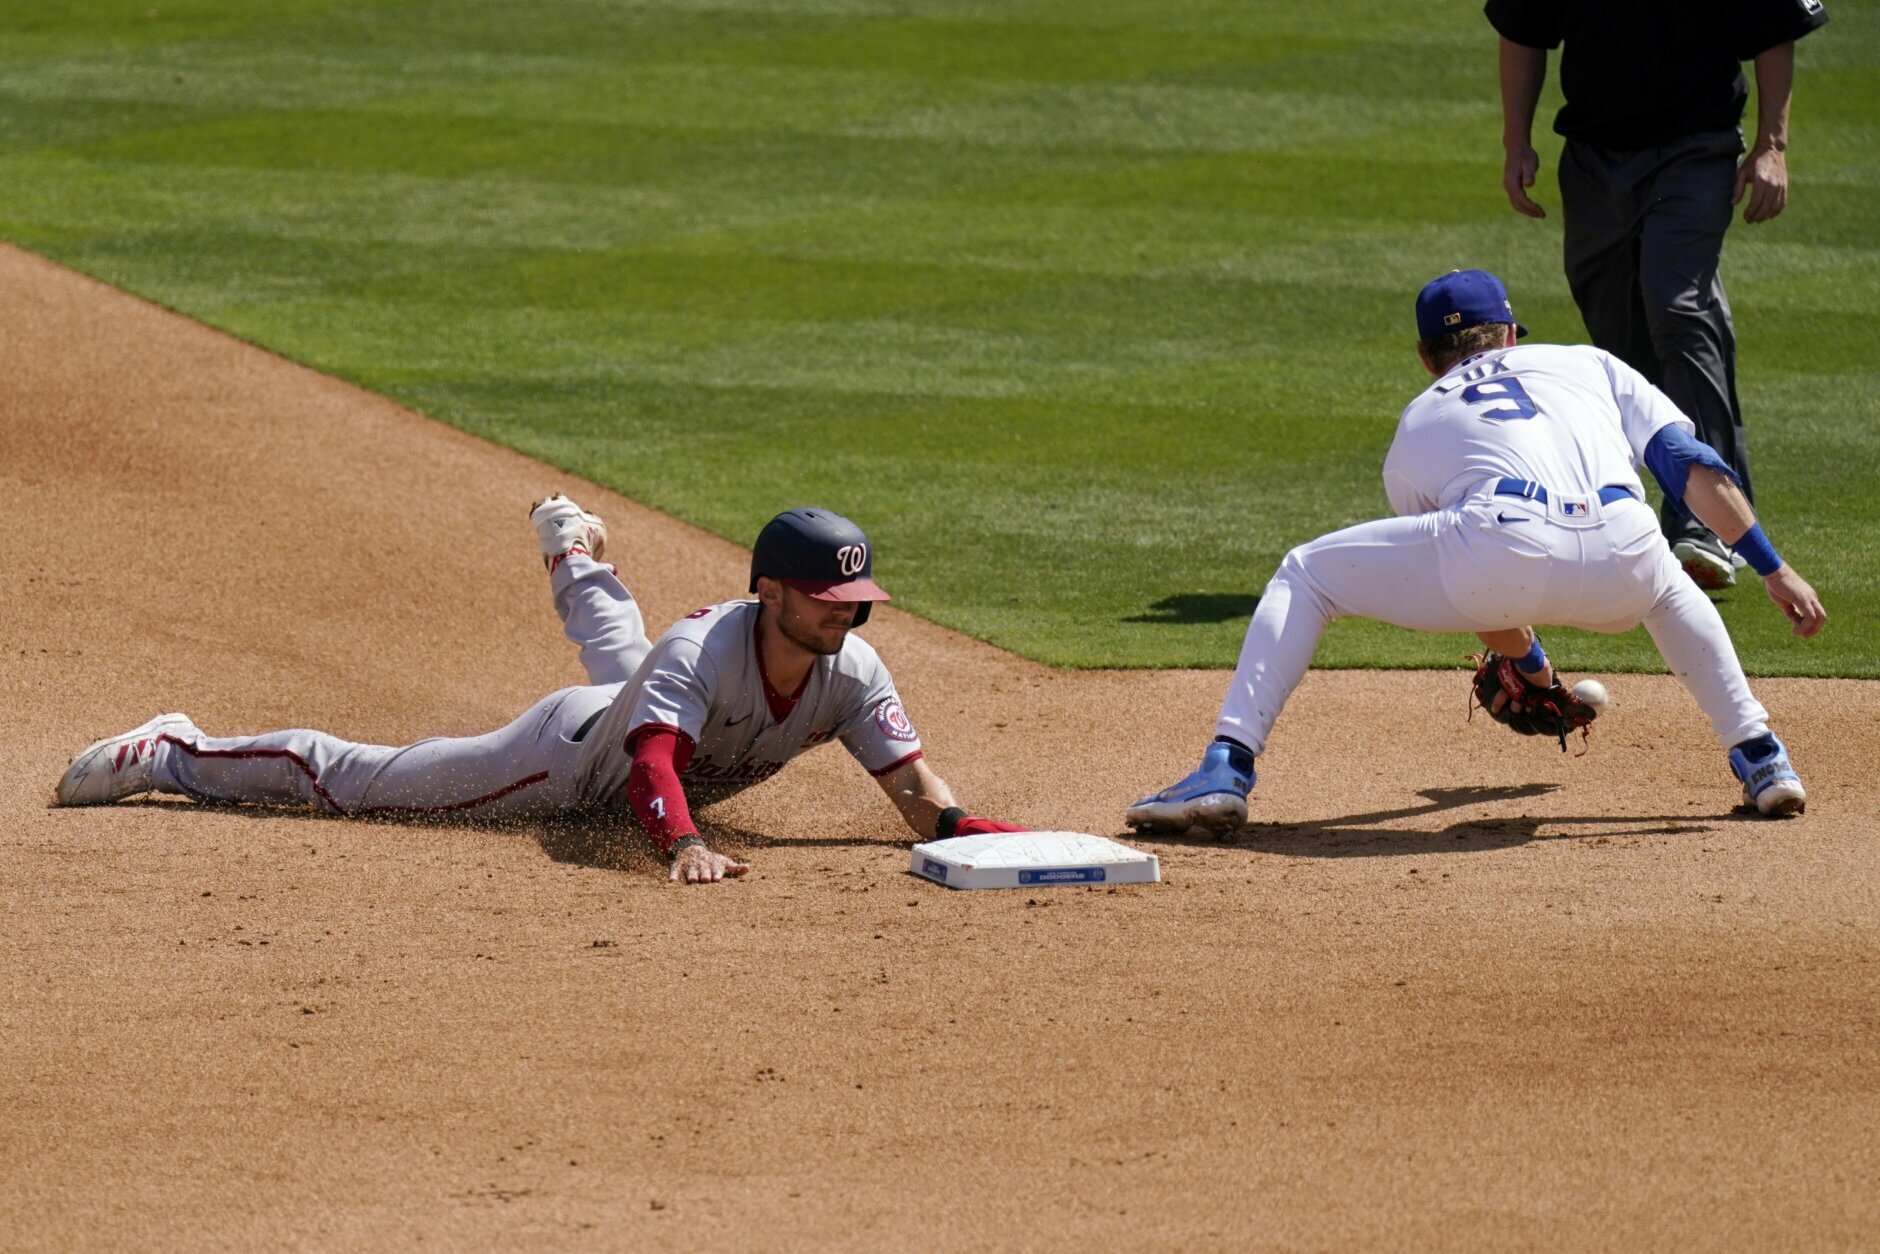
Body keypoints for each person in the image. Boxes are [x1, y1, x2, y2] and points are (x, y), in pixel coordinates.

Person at [1126, 269, 1825, 835]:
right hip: (1625, 543)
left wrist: (1527, 663)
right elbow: (1688, 464)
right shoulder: (1587, 363)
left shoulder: (1421, 418)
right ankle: (1763, 759)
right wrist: (1773, 567)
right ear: (1515, 334)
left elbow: (1482, 593)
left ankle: (1228, 767)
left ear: (1428, 359)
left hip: (1503, 537)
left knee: (1306, 573)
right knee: (1668, 582)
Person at [53, 498, 1024, 883]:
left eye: (852, 600)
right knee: (363, 783)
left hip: (639, 705)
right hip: (564, 761)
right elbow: (649, 764)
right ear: (766, 592)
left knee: (631, 660)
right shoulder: (706, 650)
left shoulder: (849, 669)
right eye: (821, 599)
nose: (842, 617)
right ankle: (178, 751)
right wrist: (682, 848)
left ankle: (569, 547)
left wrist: (977, 836)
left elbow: (913, 790)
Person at [1488, 0, 1829, 590]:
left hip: (1695, 148)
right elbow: (1523, 25)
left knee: (1679, 307)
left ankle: (1711, 524)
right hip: (1593, 157)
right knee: (1621, 345)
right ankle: (1644, 513)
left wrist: (1773, 144)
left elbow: (1776, 23)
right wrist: (1515, 139)